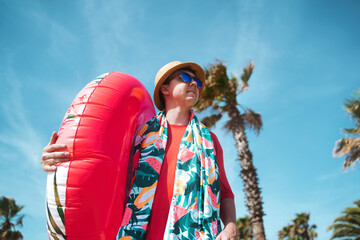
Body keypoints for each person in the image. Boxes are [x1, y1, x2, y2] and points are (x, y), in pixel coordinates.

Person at [41, 61, 237, 240]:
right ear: (165, 88)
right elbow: (100, 167)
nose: (194, 83)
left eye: (197, 82)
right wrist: (57, 160)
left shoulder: (209, 141)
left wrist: (230, 227)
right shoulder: (140, 135)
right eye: (185, 77)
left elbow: (225, 192)